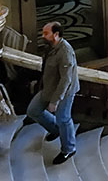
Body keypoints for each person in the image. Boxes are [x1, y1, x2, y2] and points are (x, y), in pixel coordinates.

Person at [27, 21, 79, 165]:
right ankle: (55, 129)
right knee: (33, 110)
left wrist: (55, 101)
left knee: (63, 118)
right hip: (49, 88)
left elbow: (65, 80)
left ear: (56, 35)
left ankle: (69, 149)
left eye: (46, 33)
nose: (42, 36)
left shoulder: (65, 52)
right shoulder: (50, 47)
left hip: (64, 92)